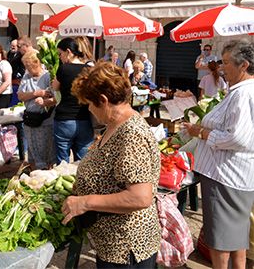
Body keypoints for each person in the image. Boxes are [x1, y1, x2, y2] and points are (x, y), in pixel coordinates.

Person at [63, 61, 161, 268]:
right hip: (111, 243)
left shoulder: (131, 134)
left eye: (90, 103)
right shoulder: (114, 125)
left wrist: (85, 202)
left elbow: (140, 196)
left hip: (126, 246)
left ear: (103, 100)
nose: (89, 109)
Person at [183, 40, 254, 269]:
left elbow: (238, 138)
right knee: (236, 235)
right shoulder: (242, 90)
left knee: (221, 238)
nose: (221, 68)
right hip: (234, 174)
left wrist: (201, 132)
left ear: (243, 65)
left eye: (225, 63)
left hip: (225, 175)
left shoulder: (243, 94)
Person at [52, 38, 93, 163]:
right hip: (84, 118)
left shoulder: (64, 68)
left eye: (60, 54)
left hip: (64, 119)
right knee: (83, 161)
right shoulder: (88, 69)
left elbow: (55, 87)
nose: (60, 57)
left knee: (62, 162)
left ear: (68, 51)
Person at [17, 51, 56, 169]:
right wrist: (36, 93)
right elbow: (20, 96)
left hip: (44, 120)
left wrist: (44, 98)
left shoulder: (48, 76)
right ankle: (34, 171)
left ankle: (45, 171)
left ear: (36, 63)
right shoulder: (26, 76)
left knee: (45, 149)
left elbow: (54, 97)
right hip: (30, 118)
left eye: (28, 66)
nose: (27, 69)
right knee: (32, 149)